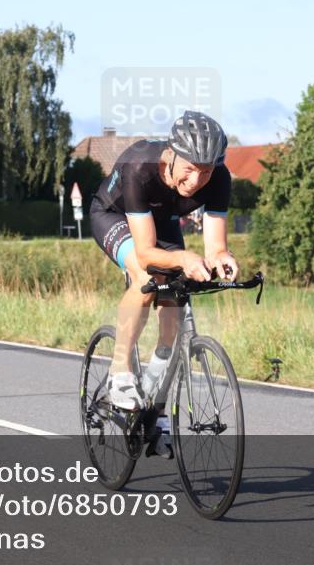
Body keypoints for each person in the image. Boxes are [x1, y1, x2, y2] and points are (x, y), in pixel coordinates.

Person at [89, 111, 239, 428]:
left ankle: (153, 402)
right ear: (170, 155)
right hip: (114, 216)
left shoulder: (220, 178)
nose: (196, 181)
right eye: (189, 169)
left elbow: (215, 247)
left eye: (205, 172)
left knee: (174, 299)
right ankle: (119, 372)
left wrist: (222, 258)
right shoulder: (140, 167)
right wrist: (184, 259)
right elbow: (145, 253)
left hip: (163, 223)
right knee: (147, 277)